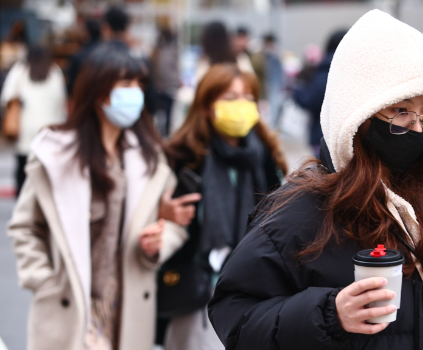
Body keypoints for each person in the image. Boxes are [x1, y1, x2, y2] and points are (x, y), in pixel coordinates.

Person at [208, 10, 423, 350]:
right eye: (401, 111)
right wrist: (330, 314)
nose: (418, 127)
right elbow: (236, 316)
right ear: (357, 116)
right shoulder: (298, 212)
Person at [7, 43, 191, 350]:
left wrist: (160, 242)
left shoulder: (150, 158)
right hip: (69, 304)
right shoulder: (56, 155)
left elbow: (174, 223)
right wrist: (43, 280)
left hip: (127, 306)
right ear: (98, 91)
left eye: (138, 84)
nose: (136, 93)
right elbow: (25, 226)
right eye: (126, 84)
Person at [159, 63, 288, 350]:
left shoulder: (266, 156)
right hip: (196, 294)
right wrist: (162, 213)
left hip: (256, 290)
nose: (241, 105)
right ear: (206, 106)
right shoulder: (182, 157)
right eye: (230, 98)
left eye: (248, 98)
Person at [0, 45, 66, 196]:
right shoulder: (54, 72)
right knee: (45, 173)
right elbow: (61, 104)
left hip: (25, 132)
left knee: (23, 171)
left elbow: (6, 97)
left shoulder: (20, 71)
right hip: (48, 133)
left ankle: (22, 204)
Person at [293, 30, 347, 157]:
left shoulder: (326, 71)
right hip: (346, 136)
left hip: (324, 135)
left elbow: (312, 101)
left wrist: (297, 92)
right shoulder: (353, 70)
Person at [151, 23, 181, 137]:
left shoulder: (157, 50)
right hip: (167, 87)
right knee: (167, 115)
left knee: (161, 115)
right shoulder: (168, 51)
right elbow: (168, 70)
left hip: (159, 87)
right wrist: (177, 82)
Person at [66, 18, 101, 97]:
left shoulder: (78, 56)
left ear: (87, 33)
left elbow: (71, 84)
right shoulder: (109, 54)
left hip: (83, 99)